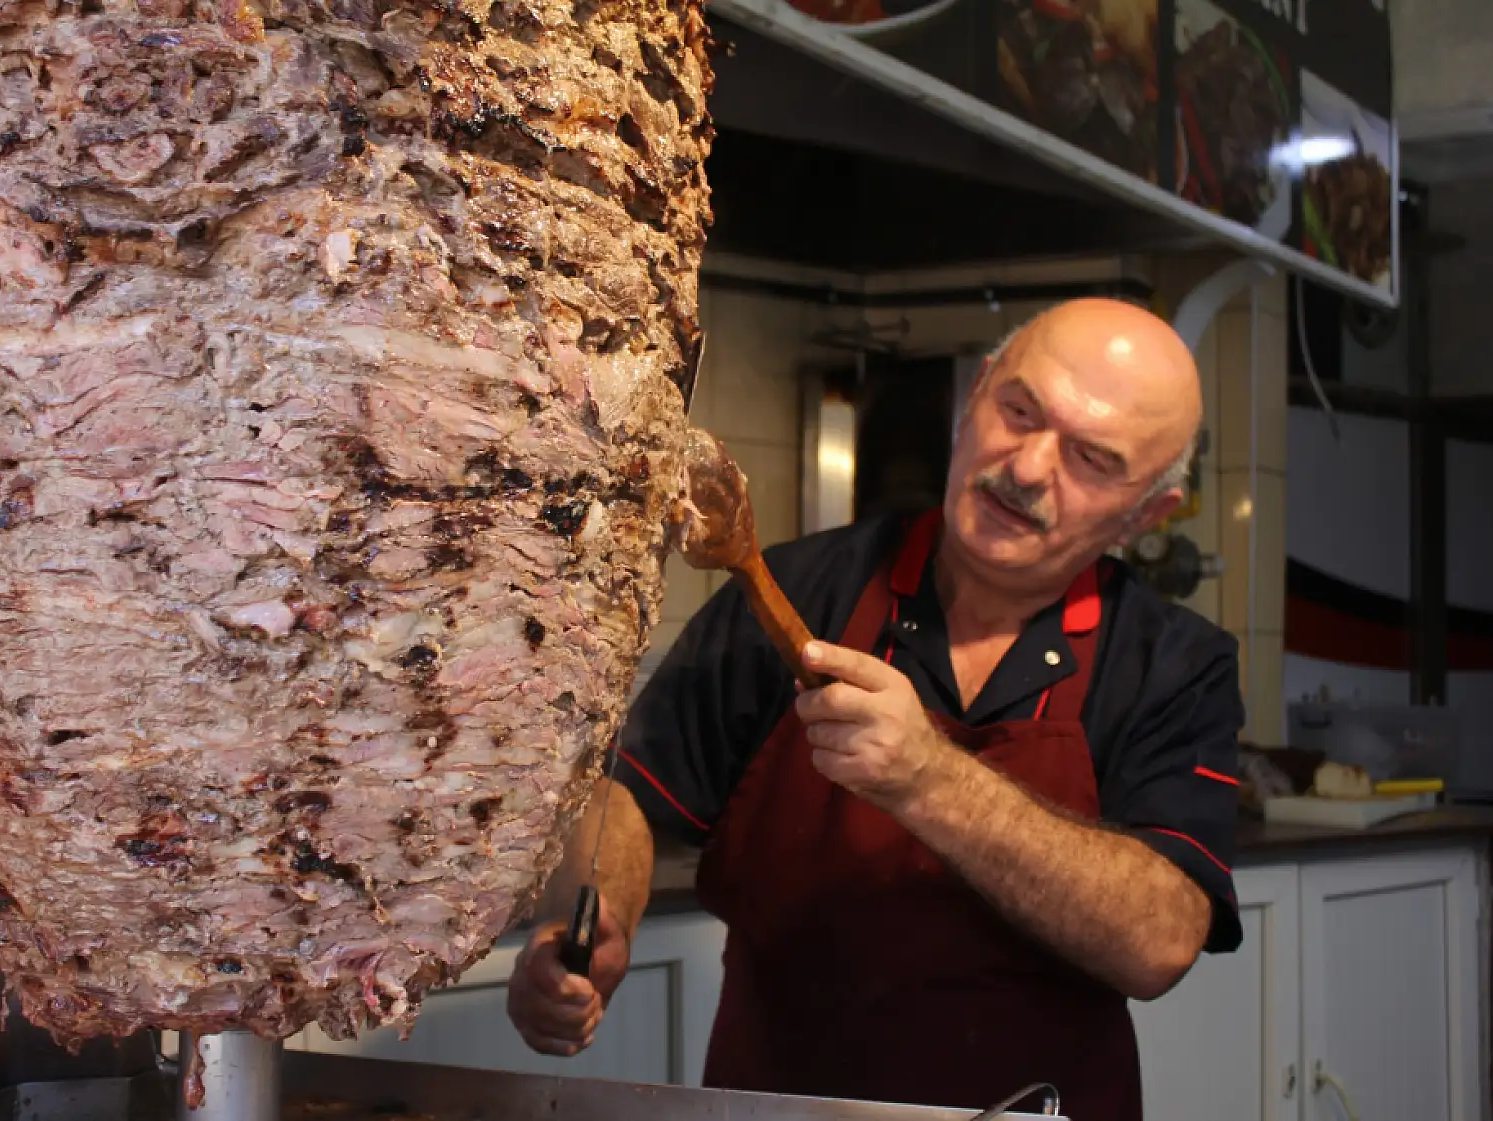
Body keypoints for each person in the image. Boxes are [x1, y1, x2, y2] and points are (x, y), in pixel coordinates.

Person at [505, 297, 1245, 1120]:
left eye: (1093, 459)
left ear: (1147, 514)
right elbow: (630, 788)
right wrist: (590, 917)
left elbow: (1160, 940)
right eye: (1019, 410)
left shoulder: (1176, 665)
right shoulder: (792, 588)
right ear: (975, 397)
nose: (1029, 467)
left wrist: (929, 779)